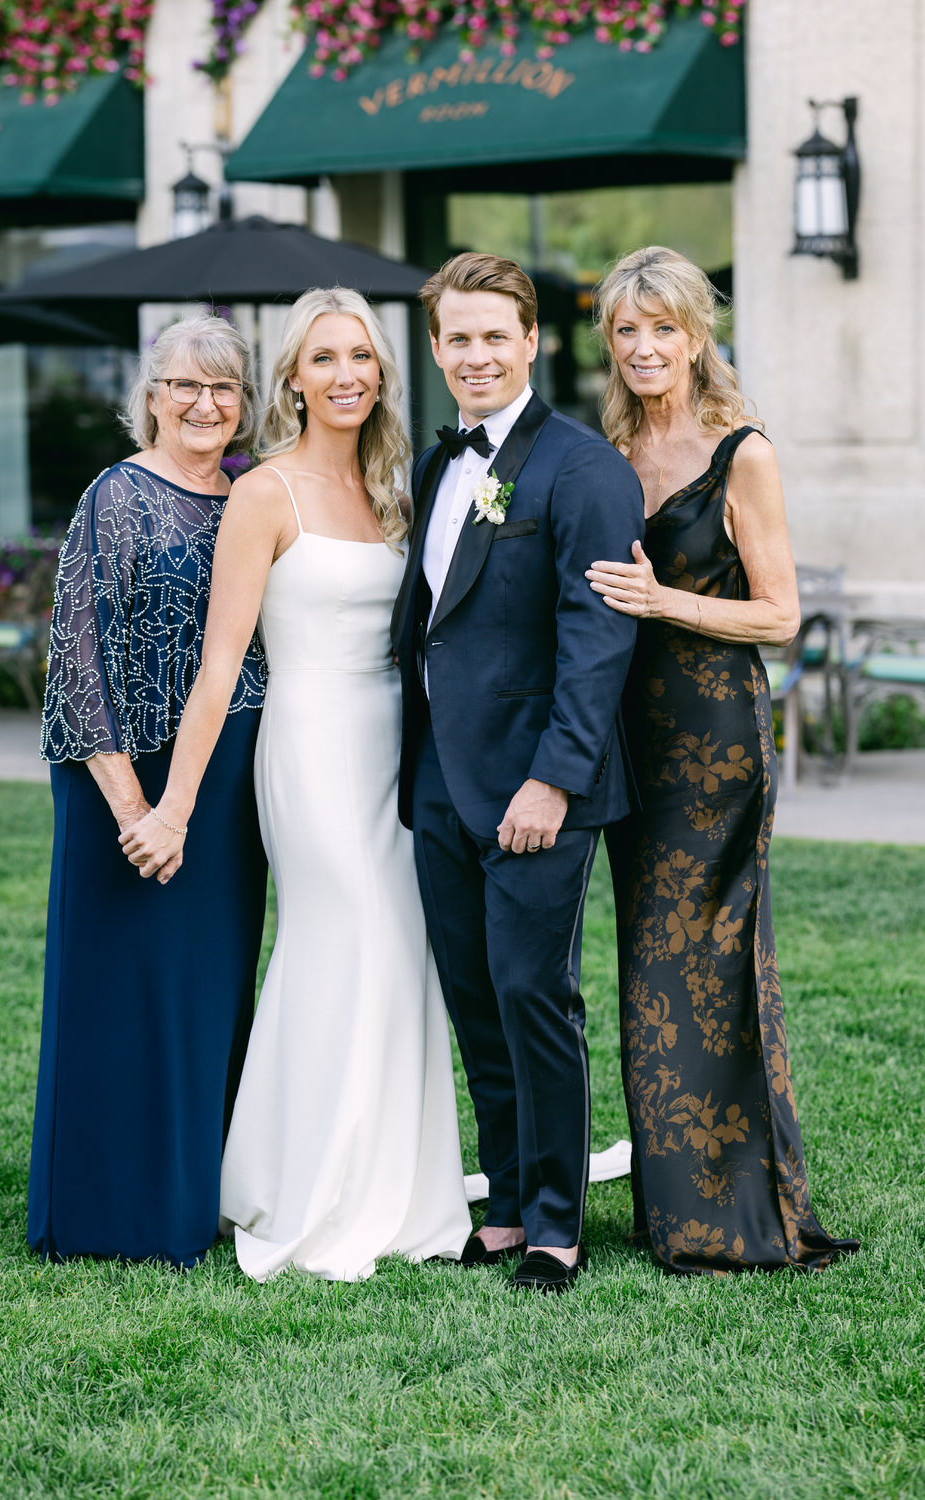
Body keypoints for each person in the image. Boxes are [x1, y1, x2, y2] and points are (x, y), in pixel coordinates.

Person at [119, 287, 471, 1283]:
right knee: (344, 935)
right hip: (310, 744)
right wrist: (175, 803)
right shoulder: (262, 493)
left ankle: (399, 1188)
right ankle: (312, 1189)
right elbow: (221, 663)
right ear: (292, 380)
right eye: (324, 359)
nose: (347, 374)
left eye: (361, 356)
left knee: (402, 950)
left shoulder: (393, 492)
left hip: (395, 749)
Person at [586, 245, 859, 1274]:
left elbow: (779, 615)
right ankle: (675, 1207)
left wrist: (666, 602)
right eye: (626, 330)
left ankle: (738, 1213)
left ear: (696, 337)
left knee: (715, 962)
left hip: (717, 744)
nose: (645, 346)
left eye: (662, 327)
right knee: (650, 970)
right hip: (631, 743)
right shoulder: (607, 451)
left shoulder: (741, 451)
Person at [392, 252, 644, 1293]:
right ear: (438, 347)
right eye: (458, 337)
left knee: (534, 995)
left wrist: (553, 780)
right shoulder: (435, 464)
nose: (476, 355)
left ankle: (554, 1224)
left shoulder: (582, 469)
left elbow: (597, 640)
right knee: (474, 999)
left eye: (496, 335)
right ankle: (502, 1202)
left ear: (533, 341)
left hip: (538, 782)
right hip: (441, 783)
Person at [29, 310, 268, 1266]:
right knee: (120, 990)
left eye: (224, 388)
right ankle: (108, 1210)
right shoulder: (116, 496)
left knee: (205, 991)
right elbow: (77, 660)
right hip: (122, 774)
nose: (205, 404)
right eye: (186, 386)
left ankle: (197, 1191)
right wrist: (135, 808)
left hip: (229, 778)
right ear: (152, 397)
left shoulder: (256, 493)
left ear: (244, 403)